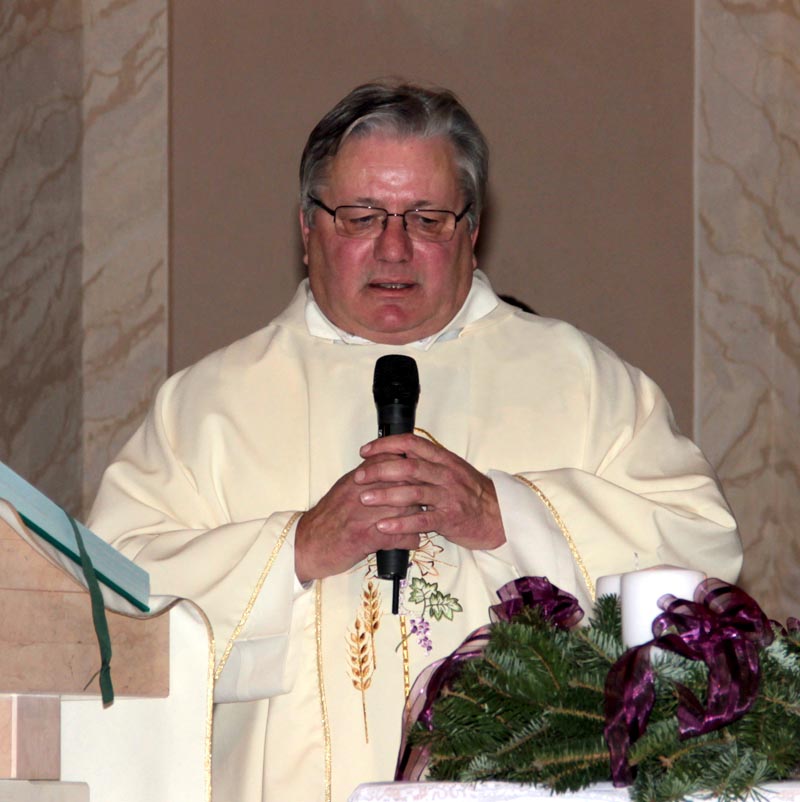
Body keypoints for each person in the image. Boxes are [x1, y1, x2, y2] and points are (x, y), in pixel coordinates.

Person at [88, 80, 743, 802]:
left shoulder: (583, 382)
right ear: (307, 229)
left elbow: (702, 555)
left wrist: (507, 516)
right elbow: (107, 606)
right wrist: (293, 551)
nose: (394, 249)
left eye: (428, 219)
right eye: (361, 216)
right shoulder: (208, 407)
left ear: (472, 230)